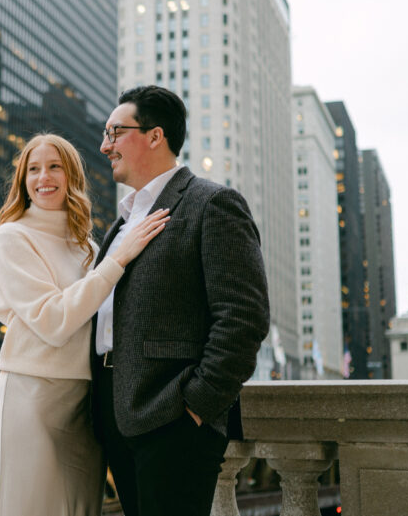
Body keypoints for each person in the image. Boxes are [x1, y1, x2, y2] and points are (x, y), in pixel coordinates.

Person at [92, 85, 270, 516]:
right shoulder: (120, 224)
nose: (104, 146)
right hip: (112, 412)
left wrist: (196, 407)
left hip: (173, 420)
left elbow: (244, 318)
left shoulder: (213, 204)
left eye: (115, 132)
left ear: (155, 136)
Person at [0, 133, 170, 516]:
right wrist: (118, 261)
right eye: (33, 169)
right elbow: (53, 320)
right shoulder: (12, 237)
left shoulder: (88, 247)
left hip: (86, 401)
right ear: (22, 181)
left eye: (54, 167)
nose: (43, 177)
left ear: (71, 176)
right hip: (32, 395)